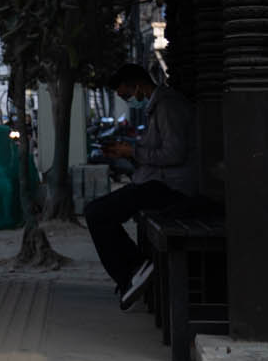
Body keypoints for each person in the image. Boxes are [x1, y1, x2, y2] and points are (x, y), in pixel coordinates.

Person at [84, 64, 198, 309]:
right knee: (99, 211)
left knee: (96, 213)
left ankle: (135, 268)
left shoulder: (167, 106)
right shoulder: (156, 108)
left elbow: (174, 154)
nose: (127, 100)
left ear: (137, 85)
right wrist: (126, 153)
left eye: (126, 94)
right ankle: (132, 271)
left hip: (170, 187)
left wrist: (133, 152)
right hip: (156, 182)